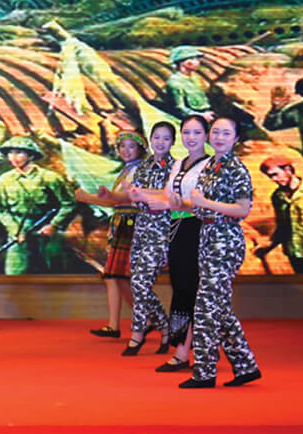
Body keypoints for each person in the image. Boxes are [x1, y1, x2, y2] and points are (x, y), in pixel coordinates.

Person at [179, 117, 260, 388]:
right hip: (207, 235)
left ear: (236, 139)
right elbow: (202, 204)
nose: (219, 137)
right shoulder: (210, 165)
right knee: (219, 305)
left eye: (226, 133)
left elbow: (242, 209)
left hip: (225, 239)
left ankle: (204, 373)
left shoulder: (236, 169)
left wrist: (205, 202)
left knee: (205, 307)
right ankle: (246, 366)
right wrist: (185, 204)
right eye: (215, 132)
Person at [135, 115, 212, 374]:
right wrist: (140, 194)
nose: (191, 137)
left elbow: (204, 202)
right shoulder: (179, 163)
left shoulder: (210, 165)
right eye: (187, 132)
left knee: (193, 291)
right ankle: (184, 350)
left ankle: (189, 352)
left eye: (197, 132)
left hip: (198, 229)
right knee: (180, 288)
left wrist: (171, 204)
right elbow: (168, 195)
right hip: (177, 229)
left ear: (206, 135)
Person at [75, 131, 145, 338]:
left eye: (131, 146)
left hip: (130, 224)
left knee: (119, 275)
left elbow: (125, 199)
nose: (126, 150)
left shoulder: (139, 170)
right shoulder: (126, 170)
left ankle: (143, 319)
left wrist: (89, 198)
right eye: (122, 146)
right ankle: (116, 323)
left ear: (140, 149)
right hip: (121, 224)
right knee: (113, 276)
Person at [122, 122, 177, 355]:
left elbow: (169, 197)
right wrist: (136, 195)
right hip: (141, 227)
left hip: (162, 230)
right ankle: (164, 328)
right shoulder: (143, 165)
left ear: (173, 142)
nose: (160, 142)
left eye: (166, 138)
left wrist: (142, 194)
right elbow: (134, 197)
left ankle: (137, 333)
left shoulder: (175, 167)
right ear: (150, 139)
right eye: (157, 137)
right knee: (137, 283)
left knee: (141, 283)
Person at [0, 136, 74, 276]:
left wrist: (53, 225)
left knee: (51, 273)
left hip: (45, 230)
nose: (14, 157)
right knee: (15, 274)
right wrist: (15, 231)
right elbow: (2, 211)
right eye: (10, 153)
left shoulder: (49, 177)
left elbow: (69, 203)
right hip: (19, 229)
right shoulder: (4, 180)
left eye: (19, 153)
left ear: (31, 155)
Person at [257, 155, 303, 274]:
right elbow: (282, 227)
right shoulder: (278, 197)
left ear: (288, 170)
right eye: (270, 176)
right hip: (295, 255)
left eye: (275, 174)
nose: (274, 179)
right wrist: (269, 246)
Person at [162, 47, 213, 121]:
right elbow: (179, 109)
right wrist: (201, 116)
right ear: (185, 63)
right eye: (194, 59)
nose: (198, 62)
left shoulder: (195, 78)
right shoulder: (175, 83)